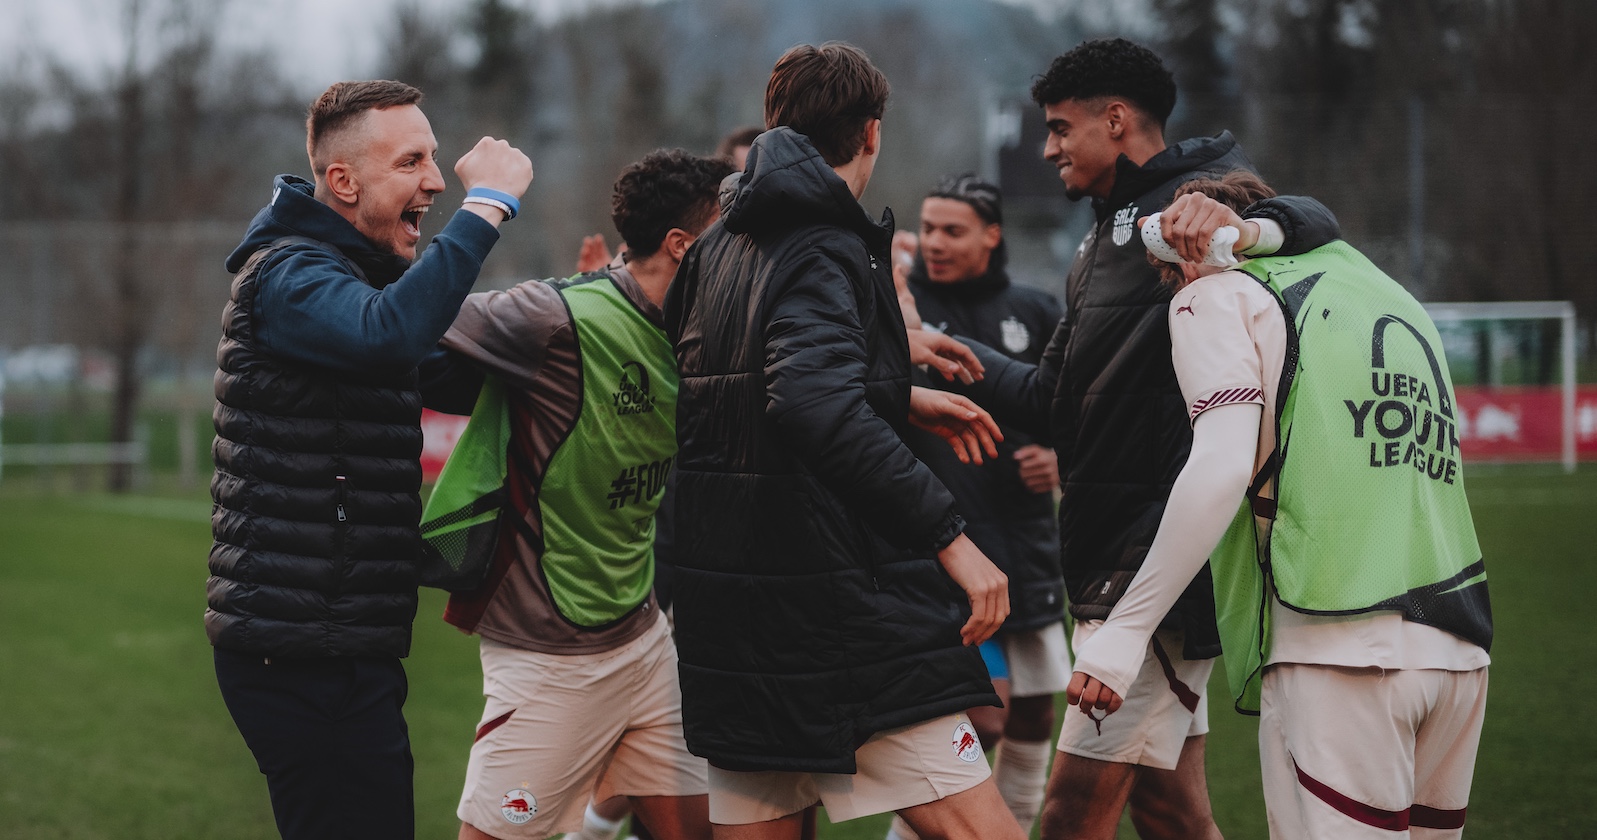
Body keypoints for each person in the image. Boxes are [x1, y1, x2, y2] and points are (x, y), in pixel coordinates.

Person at [941, 39, 1342, 840]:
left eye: (1059, 128)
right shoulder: (1096, 242)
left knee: (1066, 814)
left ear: (1115, 121)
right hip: (1104, 559)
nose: (1048, 146)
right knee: (1170, 812)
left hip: (1150, 572)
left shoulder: (1193, 206)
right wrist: (943, 349)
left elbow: (1317, 222)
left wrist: (1258, 220)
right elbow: (1051, 400)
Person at [663, 42, 1025, 840]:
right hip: (841, 623)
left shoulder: (715, 249)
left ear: (773, 125)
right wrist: (953, 540)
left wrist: (893, 394)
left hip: (734, 620)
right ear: (871, 133)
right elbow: (807, 405)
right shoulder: (823, 241)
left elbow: (740, 402)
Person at [1068, 171, 1492, 839]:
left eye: (1168, 274)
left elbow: (1221, 463)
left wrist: (1123, 632)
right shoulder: (1390, 298)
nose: (1172, 289)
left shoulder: (1217, 295)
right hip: (1459, 644)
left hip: (1336, 643)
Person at [207, 79, 532, 840]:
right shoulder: (289, 276)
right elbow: (388, 335)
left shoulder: (361, 281)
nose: (432, 181)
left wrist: (586, 303)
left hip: (349, 642)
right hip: (296, 654)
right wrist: (488, 207)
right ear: (342, 181)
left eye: (435, 159)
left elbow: (455, 373)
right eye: (411, 161)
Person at [419, 149, 734, 840]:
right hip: (546, 655)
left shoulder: (702, 334)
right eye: (731, 233)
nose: (747, 253)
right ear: (683, 246)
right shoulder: (556, 316)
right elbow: (406, 329)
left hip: (645, 638)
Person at [887, 174, 1065, 840]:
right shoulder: (898, 312)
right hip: (945, 554)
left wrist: (1058, 463)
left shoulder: (1036, 309)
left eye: (952, 230)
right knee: (982, 720)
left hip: (1026, 547)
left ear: (992, 235)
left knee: (1031, 721)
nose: (935, 242)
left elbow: (1070, 414)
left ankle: (1011, 828)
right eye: (927, 228)